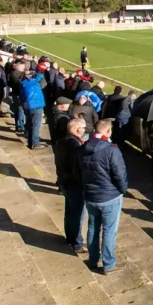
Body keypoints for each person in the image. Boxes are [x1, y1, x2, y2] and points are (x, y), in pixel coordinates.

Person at [78, 120, 127, 274]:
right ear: (108, 132)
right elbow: (120, 174)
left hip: (91, 196)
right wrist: (122, 189)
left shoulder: (82, 148)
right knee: (109, 231)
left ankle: (93, 260)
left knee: (93, 227)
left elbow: (78, 172)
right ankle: (108, 264)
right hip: (109, 197)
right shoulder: (111, 150)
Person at [55, 117, 88, 253]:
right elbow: (78, 165)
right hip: (74, 183)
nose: (85, 130)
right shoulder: (74, 145)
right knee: (78, 214)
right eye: (83, 128)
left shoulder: (61, 141)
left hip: (64, 180)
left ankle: (70, 237)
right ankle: (77, 243)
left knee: (69, 211)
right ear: (77, 129)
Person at [20, 67, 47, 149]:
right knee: (36, 125)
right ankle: (35, 144)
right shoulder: (34, 81)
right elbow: (40, 76)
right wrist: (39, 72)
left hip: (28, 106)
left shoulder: (23, 83)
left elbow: (22, 96)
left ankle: (30, 142)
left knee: (30, 124)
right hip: (37, 106)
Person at [7, 60, 26, 135]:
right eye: (22, 66)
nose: (23, 68)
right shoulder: (15, 73)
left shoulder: (18, 73)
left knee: (20, 110)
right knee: (19, 110)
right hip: (17, 94)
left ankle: (20, 125)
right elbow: (17, 84)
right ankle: (20, 127)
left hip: (18, 94)